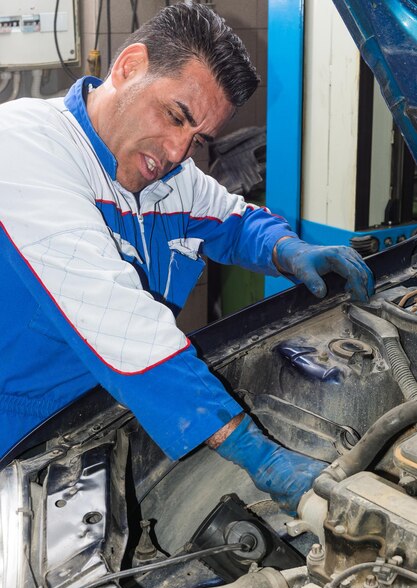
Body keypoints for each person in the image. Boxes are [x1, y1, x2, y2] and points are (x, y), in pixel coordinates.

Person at [0, 2, 373, 515]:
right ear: (129, 66)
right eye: (175, 115)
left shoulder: (167, 175)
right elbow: (124, 325)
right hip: (17, 431)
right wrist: (258, 455)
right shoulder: (25, 145)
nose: (178, 152)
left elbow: (234, 220)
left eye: (198, 138)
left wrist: (290, 250)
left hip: (102, 420)